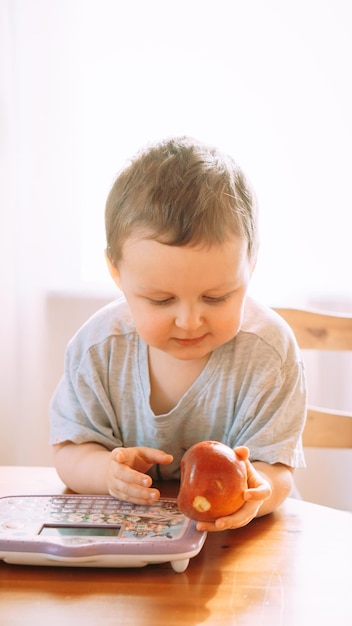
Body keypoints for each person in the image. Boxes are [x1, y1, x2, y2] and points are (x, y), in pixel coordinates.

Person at [50, 136, 306, 533]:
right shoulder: (98, 349)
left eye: (217, 297)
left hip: (237, 545)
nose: (189, 321)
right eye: (160, 300)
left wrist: (258, 490)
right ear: (117, 273)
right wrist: (106, 473)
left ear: (251, 264)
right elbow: (71, 449)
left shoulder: (269, 353)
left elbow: (277, 469)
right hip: (126, 541)